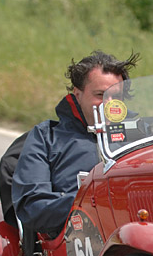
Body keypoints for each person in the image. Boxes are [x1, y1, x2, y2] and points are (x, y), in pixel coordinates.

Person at [8, 50, 139, 240]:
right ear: (78, 94)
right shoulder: (46, 138)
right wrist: (90, 201)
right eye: (100, 95)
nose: (108, 104)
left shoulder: (141, 135)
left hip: (134, 237)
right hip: (74, 242)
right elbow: (32, 207)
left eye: (116, 97)